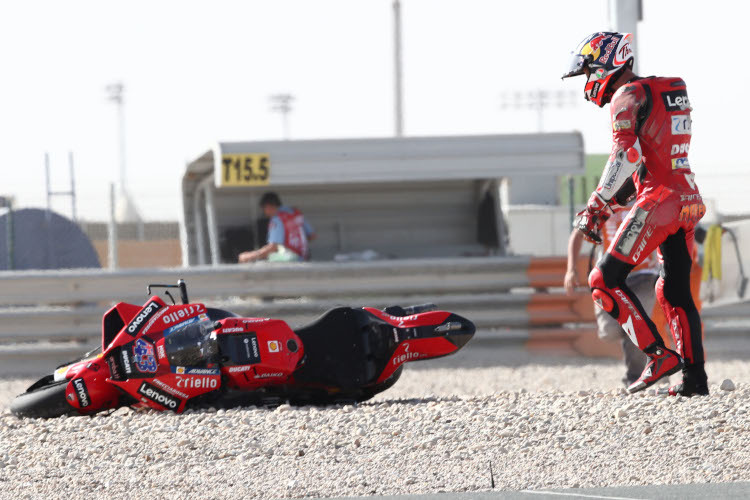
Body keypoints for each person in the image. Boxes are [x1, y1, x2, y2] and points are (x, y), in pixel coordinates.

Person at [562, 32, 707, 396]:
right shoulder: (668, 89)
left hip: (659, 201)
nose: (589, 83)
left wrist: (594, 206)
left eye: (590, 72)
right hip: (687, 196)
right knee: (674, 292)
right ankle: (695, 381)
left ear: (611, 62)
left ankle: (657, 356)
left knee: (603, 279)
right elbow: (651, 162)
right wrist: (608, 204)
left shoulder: (626, 97)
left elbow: (624, 158)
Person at [564, 201, 654, 387]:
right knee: (609, 331)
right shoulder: (603, 201)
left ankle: (635, 376)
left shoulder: (649, 199)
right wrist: (571, 269)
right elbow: (578, 233)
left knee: (635, 326)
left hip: (643, 275)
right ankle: (640, 354)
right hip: (609, 277)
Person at [238, 192, 315, 263]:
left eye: (264, 208)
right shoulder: (295, 213)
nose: (264, 212)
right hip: (305, 257)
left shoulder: (277, 219)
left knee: (262, 261)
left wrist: (250, 256)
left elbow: (273, 248)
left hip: (291, 261)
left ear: (268, 206)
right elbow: (312, 236)